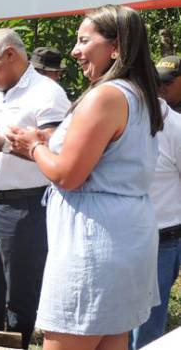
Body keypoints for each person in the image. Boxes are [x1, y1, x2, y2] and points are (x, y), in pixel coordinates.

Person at [9, 5, 163, 350]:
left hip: (93, 245)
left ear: (116, 47)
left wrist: (34, 147)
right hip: (126, 237)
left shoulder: (105, 96)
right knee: (111, 339)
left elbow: (67, 176)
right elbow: (105, 156)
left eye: (83, 40)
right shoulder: (138, 94)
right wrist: (51, 143)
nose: (75, 51)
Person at [0, 29, 70, 349]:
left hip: (25, 206)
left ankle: (16, 344)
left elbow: (56, 147)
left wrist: (5, 146)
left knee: (20, 290)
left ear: (10, 55)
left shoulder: (47, 94)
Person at [130, 57, 181, 349]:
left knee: (147, 331)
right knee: (118, 322)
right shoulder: (118, 123)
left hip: (162, 241)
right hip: (122, 237)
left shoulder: (173, 127)